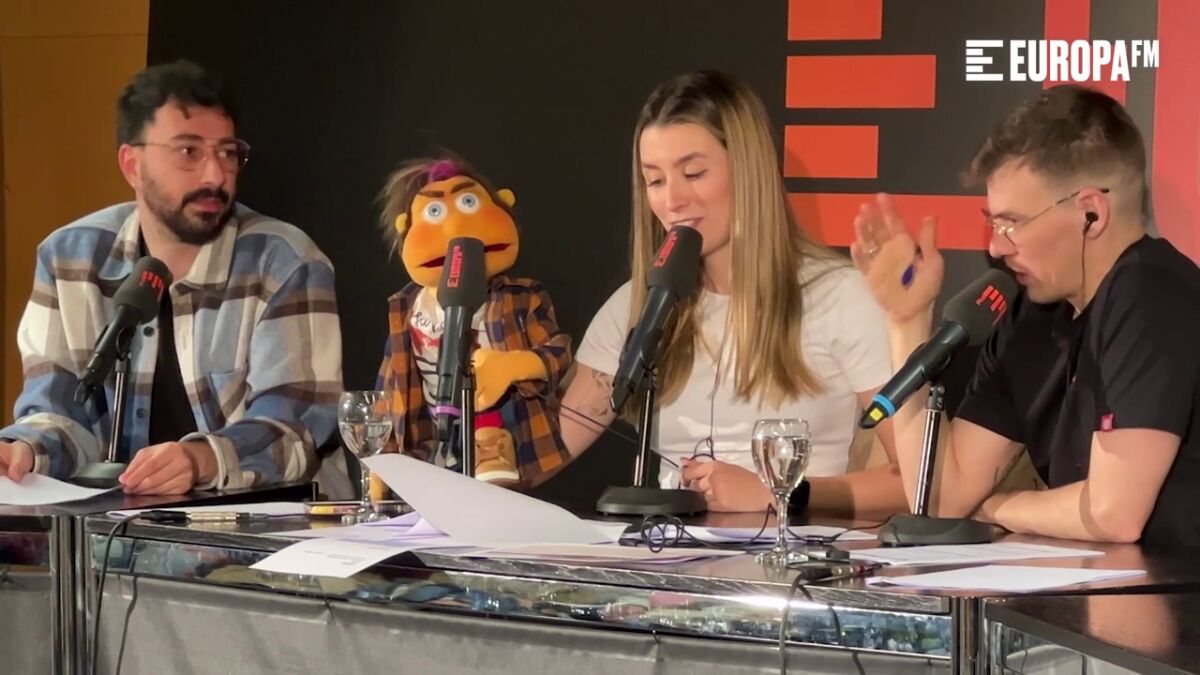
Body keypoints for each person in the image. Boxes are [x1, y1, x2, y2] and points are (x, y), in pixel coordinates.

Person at [852, 84, 1200, 546]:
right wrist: (907, 322)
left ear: (1091, 213)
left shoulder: (1151, 295)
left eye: (1011, 223)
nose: (996, 247)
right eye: (992, 223)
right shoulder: (1031, 316)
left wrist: (996, 508)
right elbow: (941, 499)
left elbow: (1112, 514)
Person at [556, 70, 906, 516]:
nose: (672, 201)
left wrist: (779, 492)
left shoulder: (839, 296)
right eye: (655, 181)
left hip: (793, 554)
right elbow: (541, 453)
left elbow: (921, 483)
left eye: (693, 173)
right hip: (666, 553)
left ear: (748, 171)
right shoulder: (639, 304)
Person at [0, 60, 342, 494]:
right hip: (118, 524)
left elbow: (297, 431)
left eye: (227, 153)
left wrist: (199, 460)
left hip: (267, 522)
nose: (215, 175)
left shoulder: (285, 261)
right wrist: (22, 450)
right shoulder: (69, 258)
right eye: (189, 152)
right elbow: (57, 410)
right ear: (132, 165)